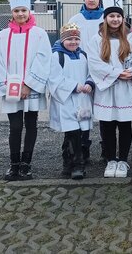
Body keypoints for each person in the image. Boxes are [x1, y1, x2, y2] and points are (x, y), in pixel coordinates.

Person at [0, 0, 51, 181]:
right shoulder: (2, 35)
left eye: (23, 10)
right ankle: (14, 164)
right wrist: (10, 85)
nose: (20, 14)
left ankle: (27, 163)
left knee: (31, 124)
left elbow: (44, 59)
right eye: (16, 11)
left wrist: (28, 84)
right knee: (15, 126)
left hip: (30, 88)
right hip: (11, 89)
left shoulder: (40, 34)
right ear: (12, 13)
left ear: (29, 12)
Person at [87, 0, 132, 178]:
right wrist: (116, 73)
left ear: (123, 19)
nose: (115, 19)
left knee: (124, 125)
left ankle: (122, 161)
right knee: (107, 126)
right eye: (111, 16)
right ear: (105, 18)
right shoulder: (96, 40)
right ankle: (110, 160)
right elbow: (94, 63)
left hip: (127, 89)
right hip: (107, 89)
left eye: (118, 16)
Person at [48, 23, 95, 180]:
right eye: (69, 39)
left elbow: (91, 73)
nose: (73, 42)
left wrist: (89, 84)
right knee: (72, 132)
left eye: (76, 39)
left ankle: (68, 164)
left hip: (82, 100)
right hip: (66, 101)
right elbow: (54, 79)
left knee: (78, 132)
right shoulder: (56, 57)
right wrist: (74, 86)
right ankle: (77, 165)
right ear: (62, 40)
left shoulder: (83, 56)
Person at [68, 0, 103, 163]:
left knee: (106, 108)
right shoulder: (76, 19)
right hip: (82, 69)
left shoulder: (107, 17)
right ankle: (82, 146)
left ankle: (107, 146)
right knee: (83, 108)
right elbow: (69, 42)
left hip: (104, 69)